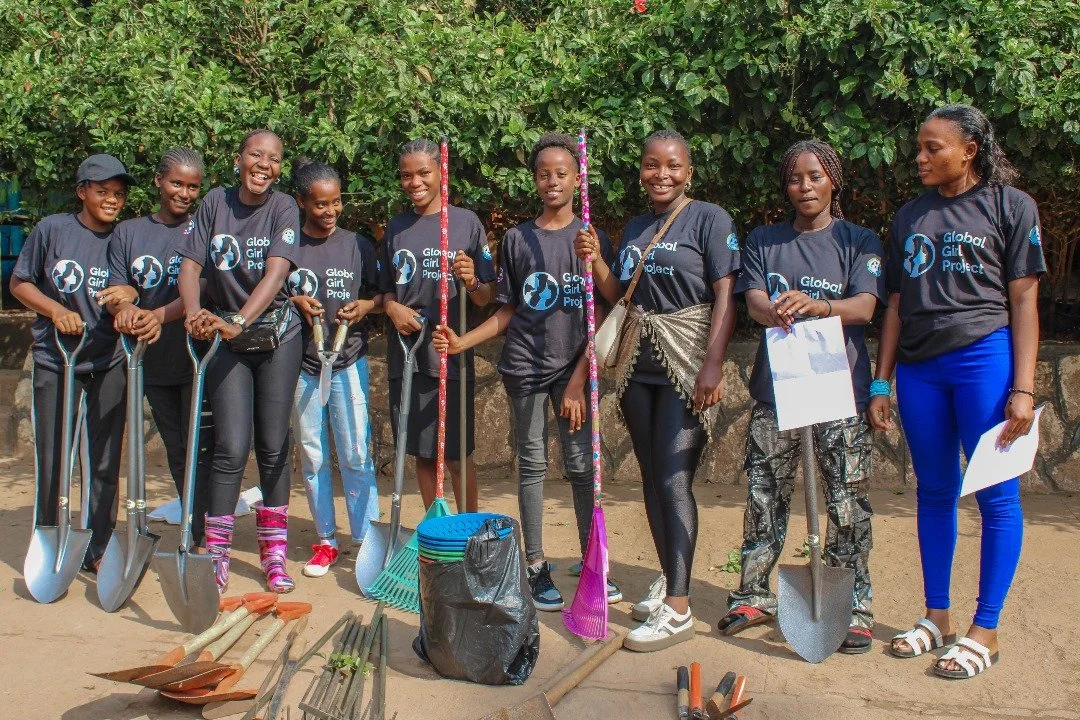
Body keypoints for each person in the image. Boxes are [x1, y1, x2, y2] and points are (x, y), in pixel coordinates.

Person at [870, 104, 1043, 679]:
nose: (920, 158)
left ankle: (985, 629)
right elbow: (894, 304)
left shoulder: (1009, 207)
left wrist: (1022, 386)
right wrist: (881, 379)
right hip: (920, 369)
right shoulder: (909, 216)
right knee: (934, 490)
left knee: (996, 496)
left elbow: (1023, 301)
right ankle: (936, 616)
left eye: (933, 147)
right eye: (918, 147)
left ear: (969, 149)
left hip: (983, 360)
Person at [432, 132, 622, 611]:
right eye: (544, 174)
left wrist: (595, 256)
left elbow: (610, 307)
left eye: (562, 173)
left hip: (575, 370)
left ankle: (591, 561)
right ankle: (536, 564)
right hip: (525, 369)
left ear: (577, 179)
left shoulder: (589, 239)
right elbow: (506, 310)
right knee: (532, 465)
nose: (552, 181)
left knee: (581, 467)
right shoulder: (517, 239)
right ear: (534, 180)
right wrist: (463, 342)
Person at [717, 140, 884, 654]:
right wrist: (776, 309)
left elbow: (865, 308)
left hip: (841, 391)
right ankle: (752, 594)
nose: (804, 187)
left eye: (815, 176)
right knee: (765, 495)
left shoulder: (860, 242)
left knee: (846, 502)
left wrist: (818, 304)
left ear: (833, 179)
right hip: (777, 392)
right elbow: (754, 300)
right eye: (795, 178)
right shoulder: (765, 241)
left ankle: (853, 605)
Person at [577, 129, 739, 651]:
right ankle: (671, 578)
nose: (661, 175)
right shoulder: (635, 226)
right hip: (636, 366)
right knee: (651, 477)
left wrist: (712, 365)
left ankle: (679, 607)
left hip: (687, 363)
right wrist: (596, 257)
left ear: (689, 171)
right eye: (652, 165)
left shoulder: (709, 219)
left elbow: (725, 295)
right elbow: (617, 293)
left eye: (672, 166)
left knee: (673, 478)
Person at [177, 129, 302, 594]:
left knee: (272, 446)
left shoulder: (283, 206)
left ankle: (273, 555)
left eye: (273, 158)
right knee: (230, 447)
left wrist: (239, 318)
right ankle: (217, 554)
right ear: (239, 159)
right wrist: (194, 316)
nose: (263, 164)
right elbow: (191, 266)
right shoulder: (214, 203)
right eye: (255, 154)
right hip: (227, 344)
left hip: (276, 337)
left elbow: (278, 271)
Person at [11, 154, 134, 572]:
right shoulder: (52, 230)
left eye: (118, 194)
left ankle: (97, 547)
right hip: (56, 360)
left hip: (108, 359)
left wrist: (128, 299)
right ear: (82, 191)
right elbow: (20, 283)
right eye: (102, 192)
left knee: (103, 461)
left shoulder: (123, 238)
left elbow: (132, 290)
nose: (111, 200)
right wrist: (53, 311)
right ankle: (49, 539)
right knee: (54, 455)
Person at [99, 148, 213, 546]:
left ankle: (204, 534)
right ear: (158, 182)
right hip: (152, 362)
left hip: (196, 357)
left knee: (201, 448)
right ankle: (192, 529)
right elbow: (115, 290)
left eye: (193, 186)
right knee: (176, 447)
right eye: (177, 183)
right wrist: (127, 306)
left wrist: (159, 316)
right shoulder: (128, 232)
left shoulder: (202, 228)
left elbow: (201, 288)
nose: (184, 192)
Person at [379, 138, 497, 512]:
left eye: (423, 173)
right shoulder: (396, 227)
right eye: (406, 175)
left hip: (450, 354)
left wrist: (473, 281)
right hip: (407, 357)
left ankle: (468, 534)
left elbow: (486, 296)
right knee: (423, 454)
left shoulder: (466, 223)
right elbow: (383, 291)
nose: (414, 182)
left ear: (441, 173)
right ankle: (436, 534)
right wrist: (392, 306)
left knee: (458, 455)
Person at [287, 158, 382, 577]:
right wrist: (293, 302)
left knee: (357, 454)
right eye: (320, 204)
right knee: (312, 455)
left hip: (348, 363)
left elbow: (382, 295)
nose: (329, 211)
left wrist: (367, 305)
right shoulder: (286, 246)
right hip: (302, 366)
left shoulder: (358, 245)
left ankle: (366, 541)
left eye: (337, 202)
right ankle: (325, 540)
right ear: (302, 202)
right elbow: (269, 293)